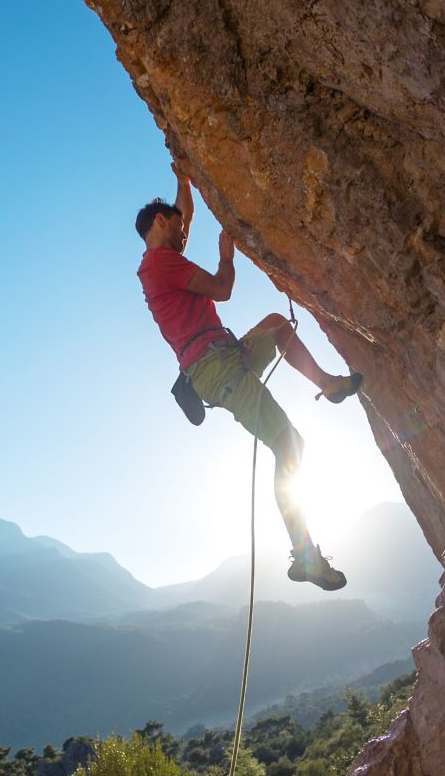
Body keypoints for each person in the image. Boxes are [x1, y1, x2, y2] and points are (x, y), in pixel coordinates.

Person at [136, 162, 362, 590]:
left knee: (277, 325)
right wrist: (226, 258)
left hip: (223, 356)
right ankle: (306, 557)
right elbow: (222, 290)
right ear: (161, 222)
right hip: (216, 368)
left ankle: (329, 384)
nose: (185, 235)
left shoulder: (163, 259)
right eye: (178, 228)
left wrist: (183, 182)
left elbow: (184, 215)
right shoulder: (159, 264)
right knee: (289, 443)